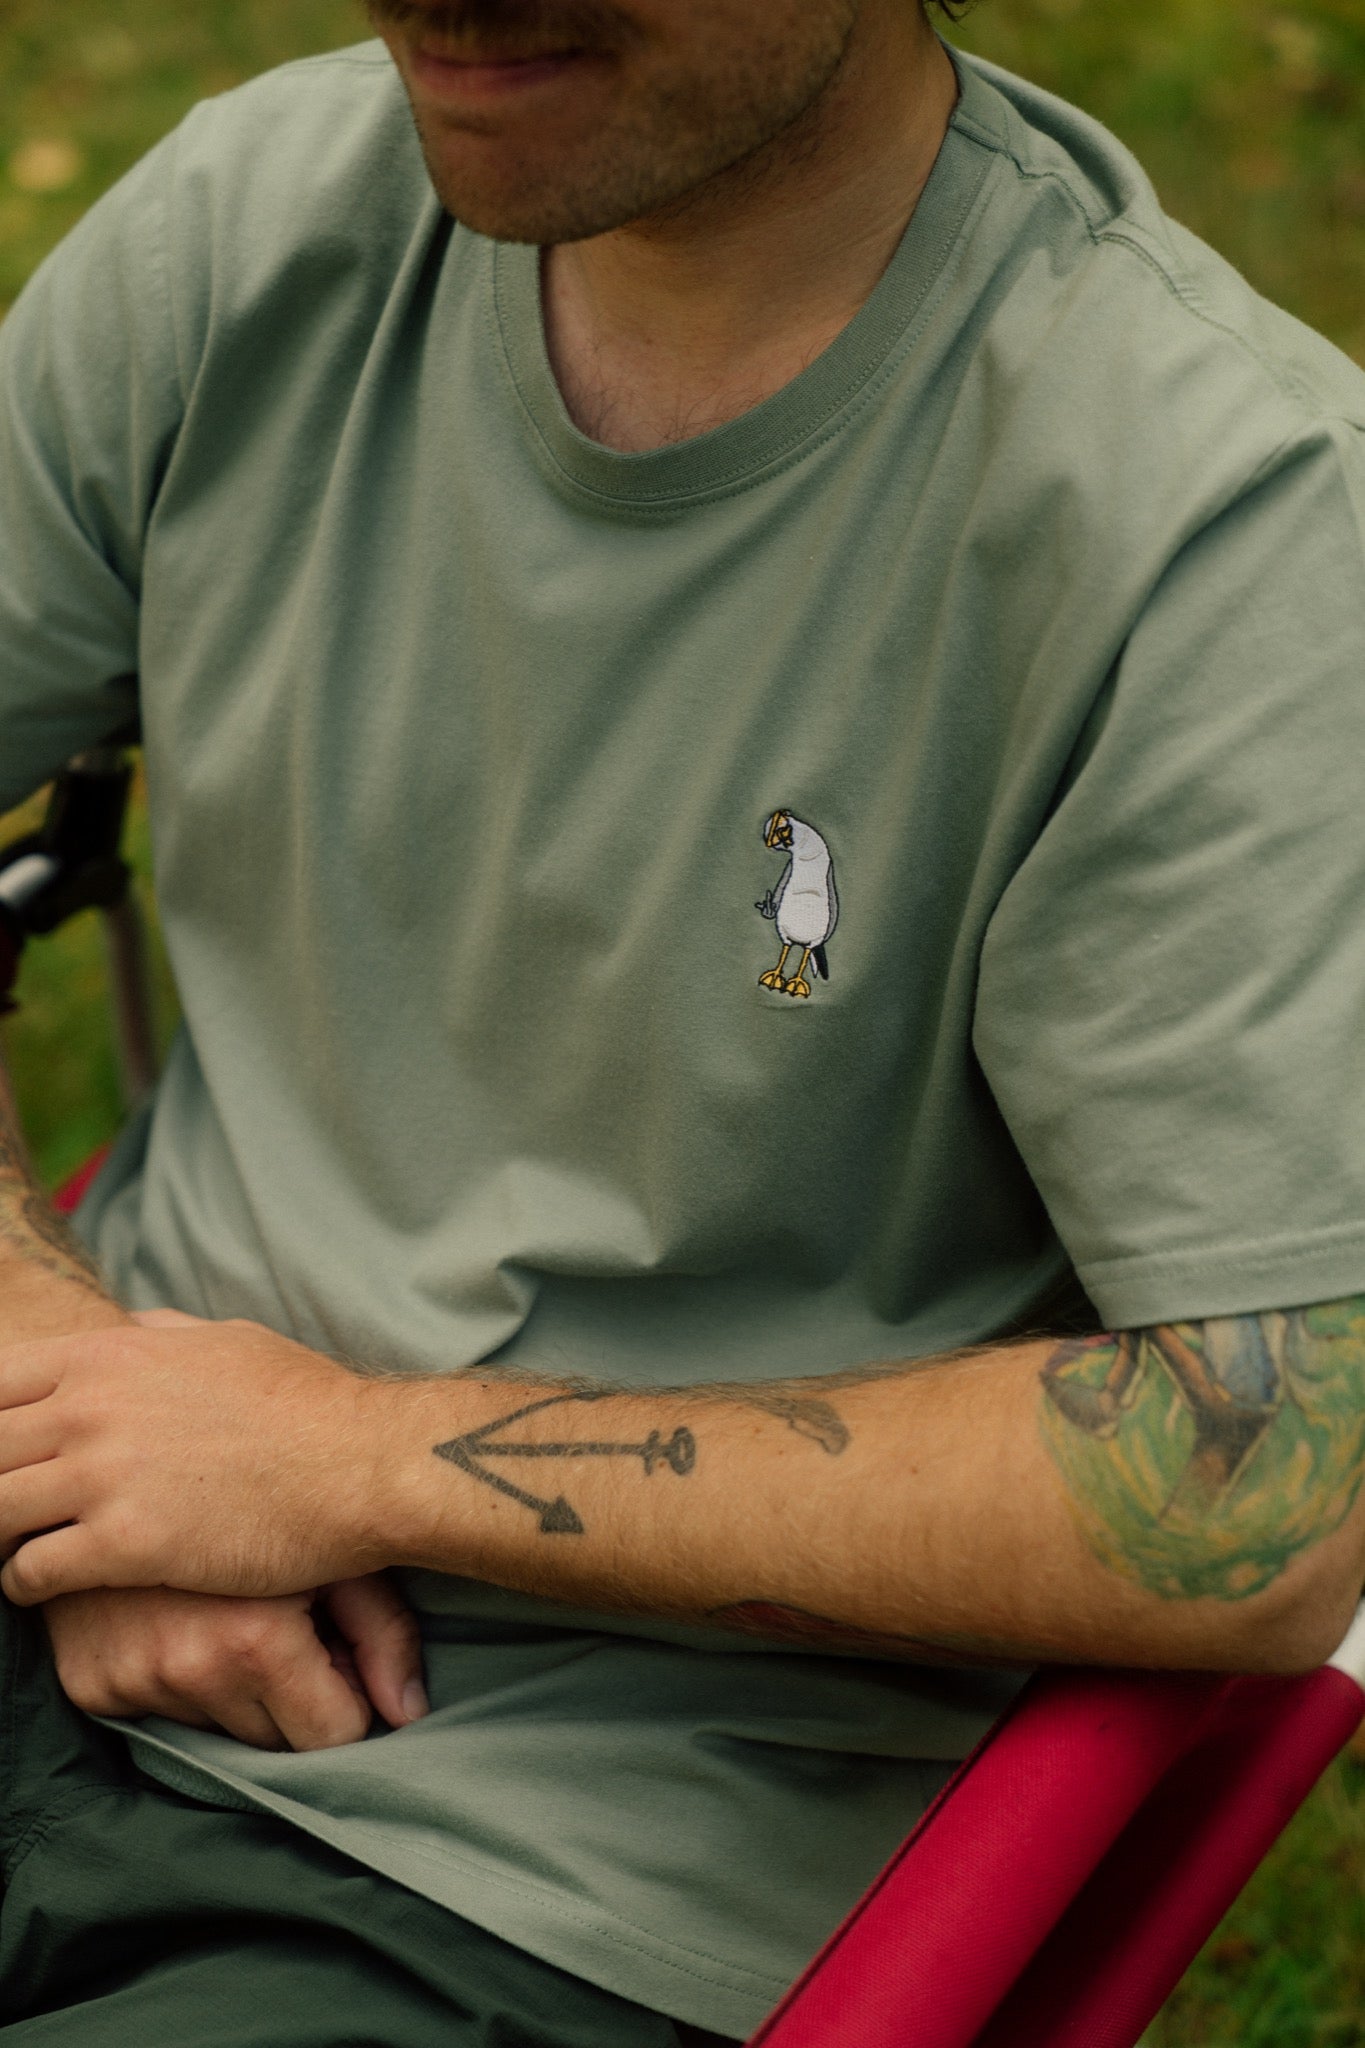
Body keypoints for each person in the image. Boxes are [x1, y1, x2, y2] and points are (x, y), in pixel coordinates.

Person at [0, 0, 1364, 2039]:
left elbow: (1260, 1497)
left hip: (533, 1870)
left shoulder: (1212, 518)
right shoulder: (252, 225)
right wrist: (71, 1413)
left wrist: (336, 1466)